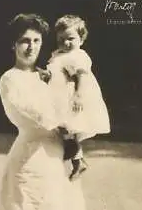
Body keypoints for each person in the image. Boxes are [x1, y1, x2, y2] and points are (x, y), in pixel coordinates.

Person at [0, 13, 107, 210]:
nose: (30, 47)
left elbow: (72, 99)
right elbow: (30, 114)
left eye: (36, 41)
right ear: (13, 44)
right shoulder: (10, 79)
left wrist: (75, 139)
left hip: (56, 159)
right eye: (24, 41)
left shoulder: (46, 75)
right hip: (30, 163)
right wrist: (63, 128)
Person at [46, 14, 110, 180]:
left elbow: (82, 76)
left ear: (81, 39)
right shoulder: (58, 55)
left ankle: (75, 158)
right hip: (58, 97)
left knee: (67, 126)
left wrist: (79, 95)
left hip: (70, 97)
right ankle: (76, 158)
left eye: (71, 39)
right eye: (61, 39)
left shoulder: (78, 56)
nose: (66, 43)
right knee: (62, 128)